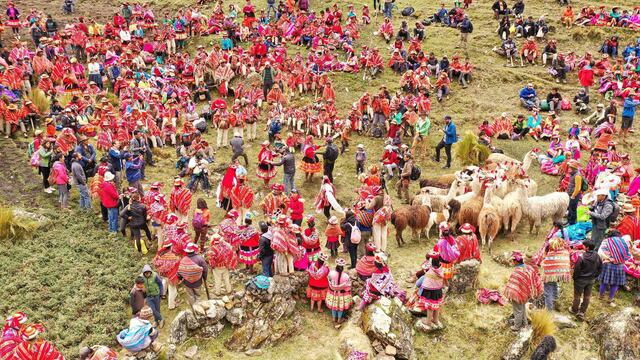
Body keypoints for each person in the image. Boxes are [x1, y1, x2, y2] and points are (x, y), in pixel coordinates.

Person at [504, 252, 542, 331]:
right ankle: (525, 324)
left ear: (516, 262)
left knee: (517, 310)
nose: (512, 262)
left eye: (513, 261)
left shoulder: (517, 271)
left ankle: (517, 326)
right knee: (522, 308)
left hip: (517, 294)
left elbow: (512, 284)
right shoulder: (528, 268)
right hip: (525, 293)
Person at [597, 233, 632, 307]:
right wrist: (620, 260)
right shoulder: (624, 241)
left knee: (604, 281)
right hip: (619, 266)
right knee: (615, 284)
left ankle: (600, 296)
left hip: (608, 264)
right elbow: (628, 255)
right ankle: (610, 299)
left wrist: (609, 258)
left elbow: (600, 253)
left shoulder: (606, 241)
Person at [569, 240, 602, 320]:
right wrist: (595, 276)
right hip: (591, 280)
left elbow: (577, 269)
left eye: (583, 246)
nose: (582, 247)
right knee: (587, 296)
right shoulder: (597, 256)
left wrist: (575, 278)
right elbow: (600, 268)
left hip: (580, 280)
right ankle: (582, 312)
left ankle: (574, 309)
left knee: (577, 295)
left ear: (587, 248)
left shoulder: (581, 257)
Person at [540, 238, 570, 311]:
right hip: (561, 273)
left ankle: (549, 311)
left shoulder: (551, 254)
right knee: (554, 284)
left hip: (550, 275)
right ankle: (555, 301)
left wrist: (544, 258)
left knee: (547, 292)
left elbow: (544, 264)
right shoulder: (565, 252)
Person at [326, 258, 352, 325]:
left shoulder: (331, 274)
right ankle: (339, 319)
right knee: (340, 307)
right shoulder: (346, 276)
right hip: (342, 295)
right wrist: (342, 288)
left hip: (333, 293)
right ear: (343, 267)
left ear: (336, 266)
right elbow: (348, 287)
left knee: (333, 306)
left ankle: (334, 318)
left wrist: (334, 288)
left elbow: (329, 282)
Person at [566, 160, 585, 225]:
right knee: (570, 207)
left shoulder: (577, 176)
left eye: (570, 168)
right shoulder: (573, 174)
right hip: (571, 193)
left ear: (573, 168)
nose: (568, 169)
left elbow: (578, 188)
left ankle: (572, 222)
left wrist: (573, 195)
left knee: (573, 209)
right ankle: (569, 220)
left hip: (574, 195)